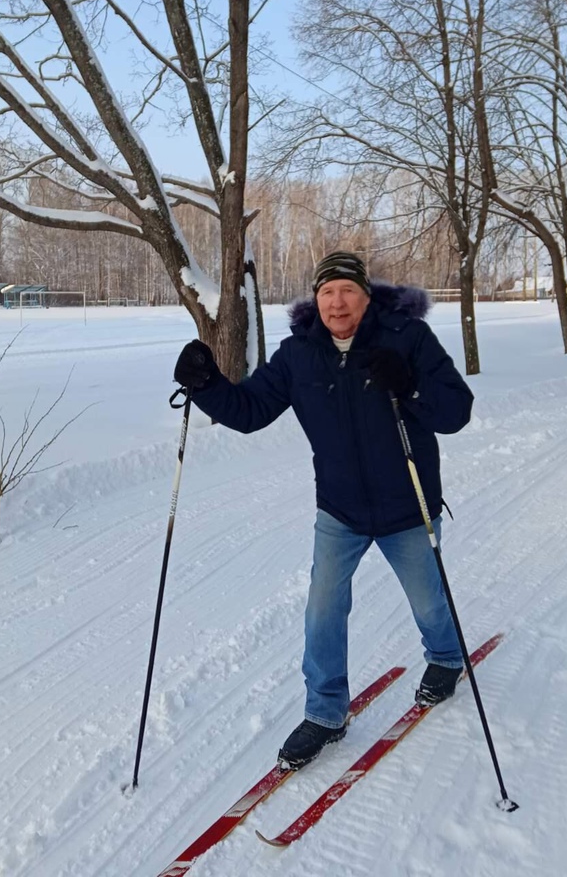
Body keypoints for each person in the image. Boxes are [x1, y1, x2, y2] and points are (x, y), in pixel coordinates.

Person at [173, 250, 474, 770]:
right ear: (316, 300)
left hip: (408, 503)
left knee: (428, 602)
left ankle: (447, 657)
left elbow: (456, 411)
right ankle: (326, 711)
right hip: (340, 510)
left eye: (348, 291)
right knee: (322, 612)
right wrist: (207, 387)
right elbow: (250, 412)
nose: (338, 302)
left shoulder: (407, 339)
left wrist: (410, 384)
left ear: (366, 295)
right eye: (327, 292)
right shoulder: (299, 355)